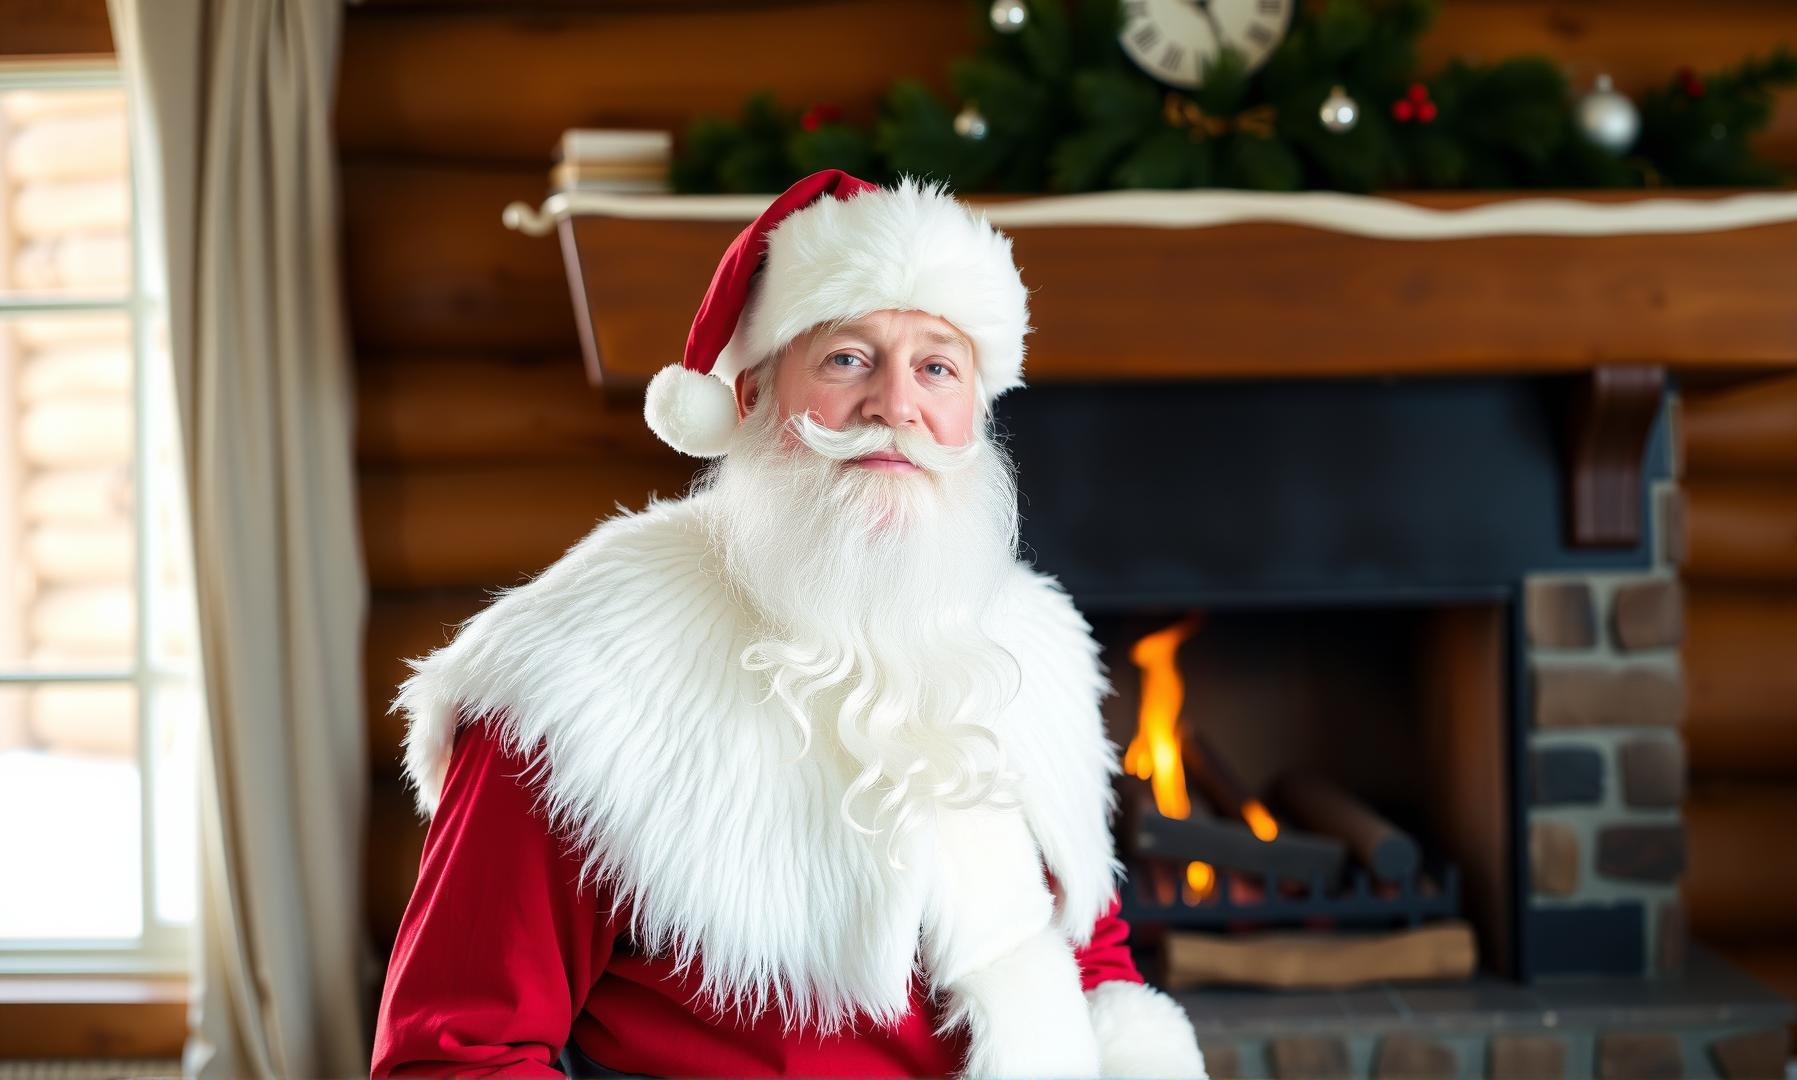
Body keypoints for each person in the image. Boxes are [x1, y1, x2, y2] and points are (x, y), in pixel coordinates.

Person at [370, 169, 1205, 1078]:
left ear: (974, 412)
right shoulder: (582, 680)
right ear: (756, 394)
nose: (897, 405)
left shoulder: (1031, 647)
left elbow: (1089, 950)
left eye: (937, 366)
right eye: (847, 357)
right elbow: (457, 1052)